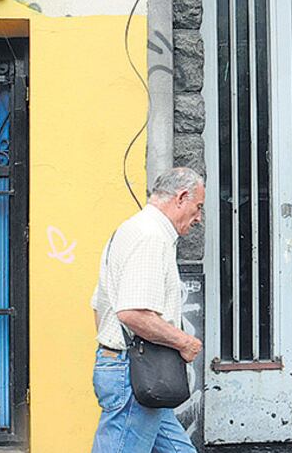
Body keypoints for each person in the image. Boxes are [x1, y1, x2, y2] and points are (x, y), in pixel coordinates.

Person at [90, 167, 205, 453]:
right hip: (136, 373)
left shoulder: (130, 230)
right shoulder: (151, 237)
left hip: (138, 369)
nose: (199, 217)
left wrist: (114, 351)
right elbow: (133, 313)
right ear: (181, 197)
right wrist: (185, 342)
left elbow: (99, 306)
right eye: (198, 207)